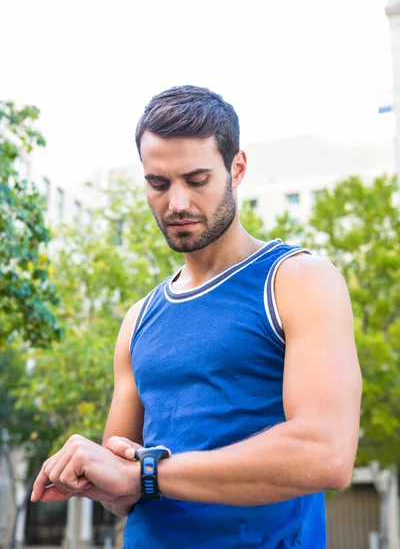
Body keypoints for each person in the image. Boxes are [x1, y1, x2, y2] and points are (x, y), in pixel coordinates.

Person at [31, 85, 362, 548]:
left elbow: (326, 454)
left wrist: (148, 474)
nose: (177, 203)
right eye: (159, 184)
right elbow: (121, 492)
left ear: (237, 169)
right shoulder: (138, 318)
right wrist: (90, 470)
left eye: (197, 179)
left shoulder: (297, 280)